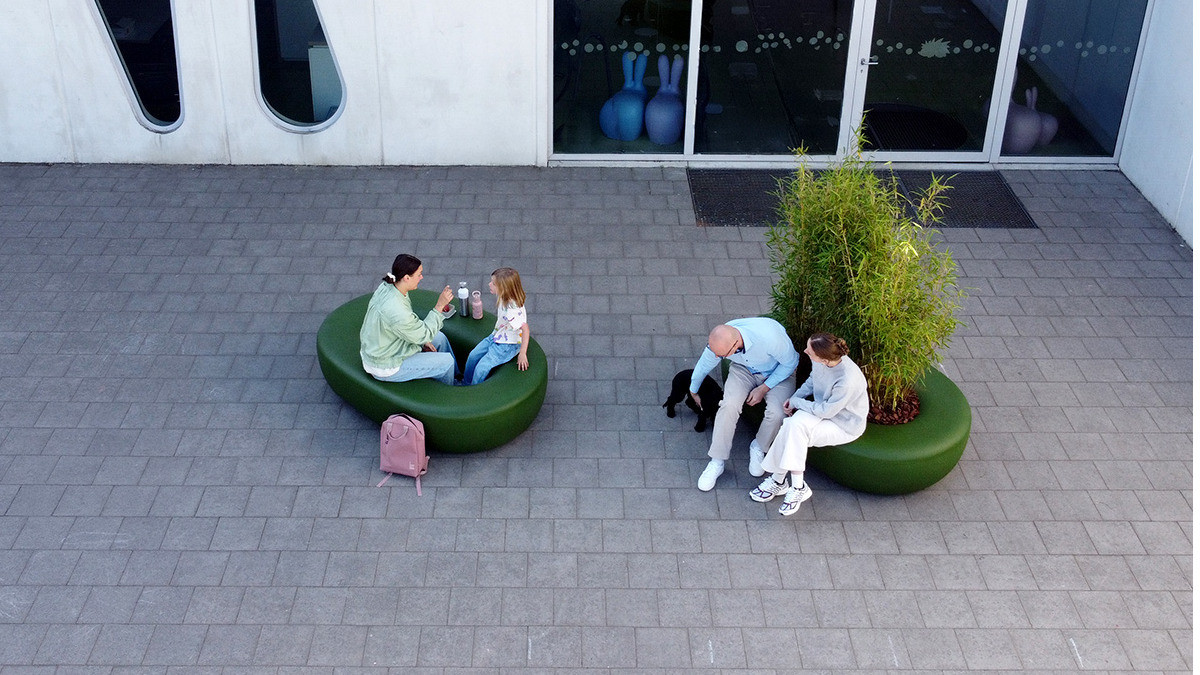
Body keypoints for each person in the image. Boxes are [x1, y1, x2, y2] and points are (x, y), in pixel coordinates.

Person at [750, 332, 869, 515]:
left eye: (809, 350)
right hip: (823, 411)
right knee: (792, 425)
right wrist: (794, 398)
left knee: (795, 429)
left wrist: (798, 403)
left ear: (824, 359)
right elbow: (812, 381)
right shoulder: (822, 360)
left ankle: (782, 482)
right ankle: (791, 485)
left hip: (844, 425)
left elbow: (826, 411)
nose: (805, 351)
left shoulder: (847, 381)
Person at [690, 318, 799, 491]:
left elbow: (791, 363)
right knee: (728, 406)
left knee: (778, 412)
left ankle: (758, 446)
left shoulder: (771, 338)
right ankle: (717, 461)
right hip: (744, 370)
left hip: (778, 372)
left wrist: (763, 388)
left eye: (722, 356)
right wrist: (693, 389)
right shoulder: (722, 339)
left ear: (736, 344)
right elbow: (706, 363)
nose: (718, 357)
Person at [359, 253, 458, 385]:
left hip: (387, 343)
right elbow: (424, 333)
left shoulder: (389, 286)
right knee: (447, 362)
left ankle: (457, 376)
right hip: (384, 364)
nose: (421, 277)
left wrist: (421, 341)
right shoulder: (396, 311)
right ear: (406, 278)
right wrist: (440, 305)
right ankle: (452, 391)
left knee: (440, 338)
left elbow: (408, 329)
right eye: (419, 274)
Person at [463, 267, 530, 385]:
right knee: (473, 356)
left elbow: (525, 329)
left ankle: (471, 390)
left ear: (504, 288)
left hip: (506, 345)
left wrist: (522, 353)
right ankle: (466, 382)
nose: (489, 284)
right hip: (497, 335)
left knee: (481, 368)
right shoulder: (504, 296)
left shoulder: (513, 310)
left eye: (493, 284)